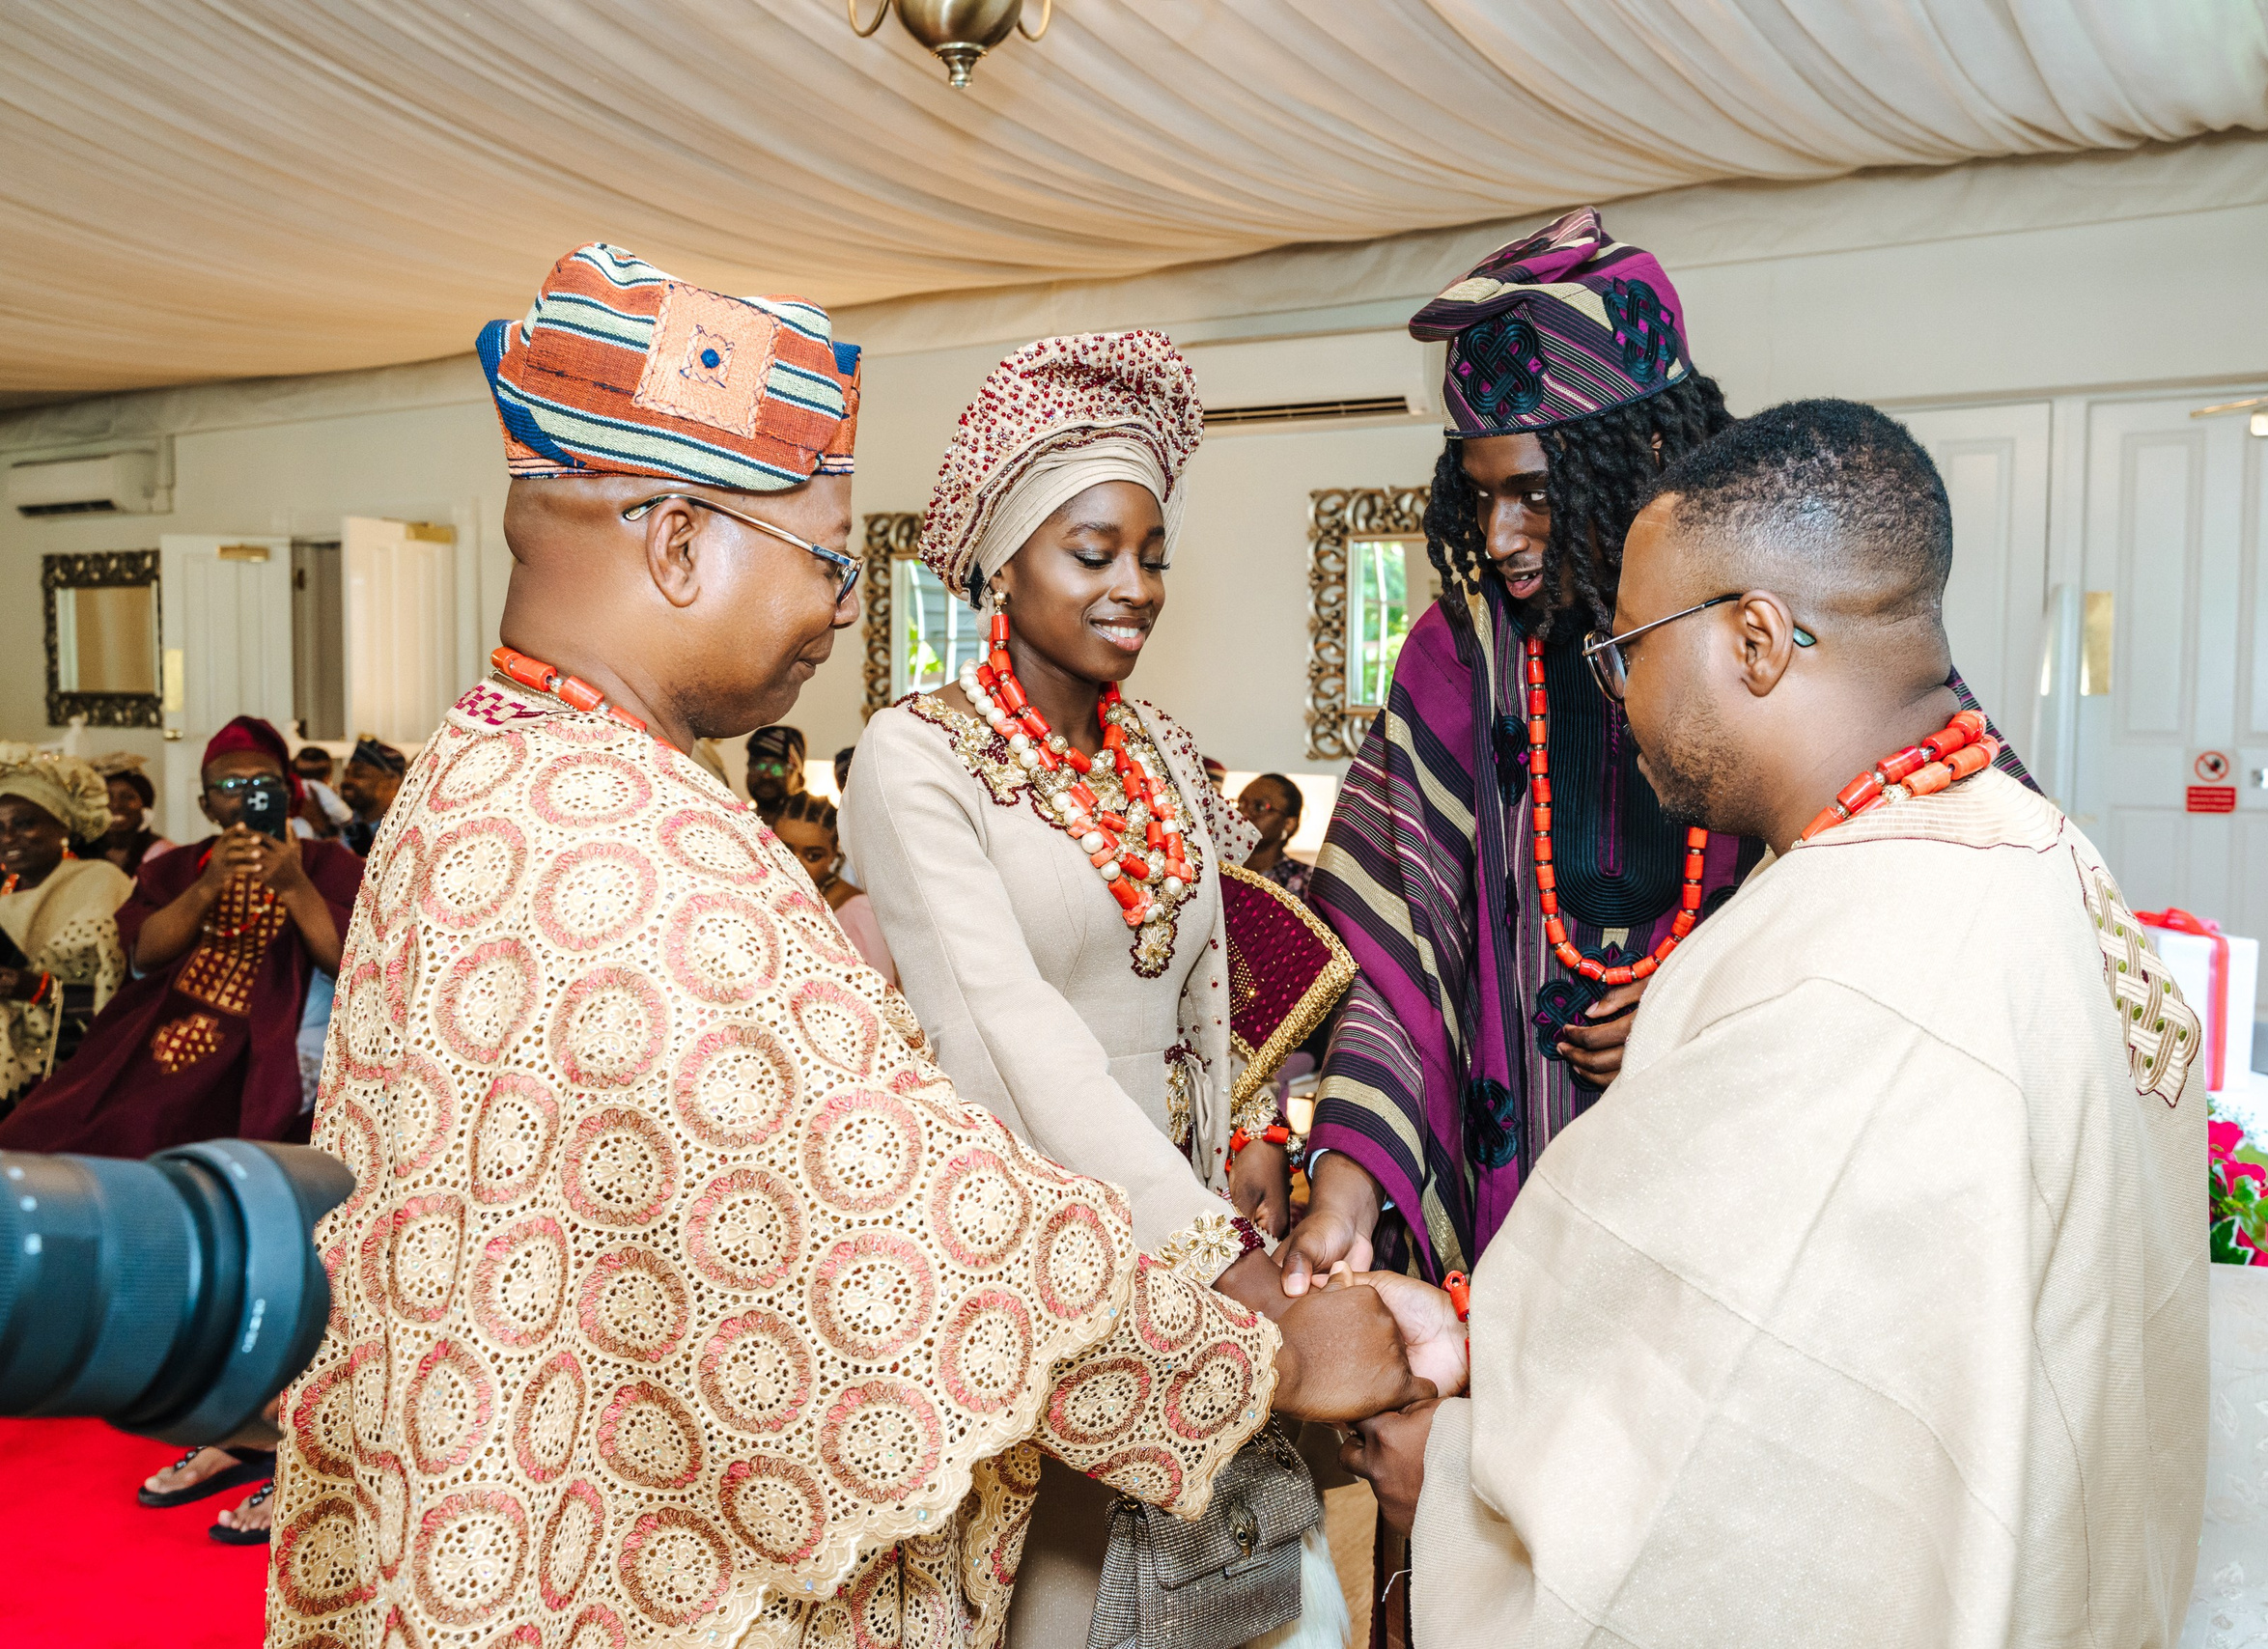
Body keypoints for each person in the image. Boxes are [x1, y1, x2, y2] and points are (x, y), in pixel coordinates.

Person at [265, 247, 1424, 1649]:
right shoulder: (623, 847)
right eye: (824, 557)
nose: (849, 602)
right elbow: (895, 1226)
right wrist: (1268, 1353)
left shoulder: (494, 773)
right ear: (680, 541)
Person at [1340, 400, 2207, 1648]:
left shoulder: (1857, 965)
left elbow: (1751, 1469)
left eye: (1629, 646)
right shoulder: (2032, 854)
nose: (1619, 691)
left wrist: (1463, 1480)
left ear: (1754, 640)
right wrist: (1480, 1332)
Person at [1290, 208, 2038, 1293]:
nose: (1498, 536)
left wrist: (1706, 997)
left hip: (1746, 1149)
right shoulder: (1457, 656)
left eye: (1535, 493)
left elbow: (1922, 886)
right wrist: (1344, 1194)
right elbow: (1390, 947)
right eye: (1479, 491)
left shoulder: (1783, 624)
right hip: (1519, 1164)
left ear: (1637, 457)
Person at [843, 332, 1353, 1649]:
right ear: (1001, 568)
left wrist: (1244, 1144)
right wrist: (1202, 1254)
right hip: (1022, 1250)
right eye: (1093, 553)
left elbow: (1214, 990)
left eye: (1154, 553)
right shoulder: (916, 760)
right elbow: (997, 1027)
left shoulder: (1170, 761)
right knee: (1052, 1603)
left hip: (1178, 1228)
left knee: (1235, 1589)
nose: (1137, 586)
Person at [0, 715, 360, 1157]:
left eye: (263, 782)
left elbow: (350, 964)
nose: (247, 795)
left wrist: (294, 885)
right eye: (229, 787)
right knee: (49, 1129)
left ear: (288, 794)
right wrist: (208, 885)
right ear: (205, 806)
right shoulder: (175, 868)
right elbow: (144, 956)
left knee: (178, 1127)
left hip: (273, 1036)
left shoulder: (333, 866)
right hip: (163, 1025)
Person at [0, 747, 129, 1111]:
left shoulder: (101, 883)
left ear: (63, 825)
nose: (9, 837)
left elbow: (121, 987)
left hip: (69, 1072)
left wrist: (37, 988)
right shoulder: (3, 892)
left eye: (25, 823)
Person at [773, 791, 897, 986]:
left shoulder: (859, 914)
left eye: (813, 856)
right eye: (783, 851)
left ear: (833, 855)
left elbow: (879, 998)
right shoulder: (765, 895)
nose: (794, 865)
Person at [1237, 772, 1314, 898]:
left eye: (1259, 807)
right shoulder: (1214, 867)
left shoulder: (1306, 882)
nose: (1243, 812)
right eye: (1241, 803)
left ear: (1288, 824)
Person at [90, 754, 173, 871]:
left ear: (144, 805)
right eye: (107, 797)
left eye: (128, 797)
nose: (116, 805)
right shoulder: (78, 854)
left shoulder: (164, 853)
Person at [333, 734, 406, 854]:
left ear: (392, 780)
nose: (347, 781)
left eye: (359, 774)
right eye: (346, 774)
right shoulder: (344, 824)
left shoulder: (405, 829)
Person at [744, 720, 807, 821]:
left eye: (778, 768)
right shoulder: (733, 823)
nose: (766, 775)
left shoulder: (815, 831)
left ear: (799, 780)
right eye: (759, 766)